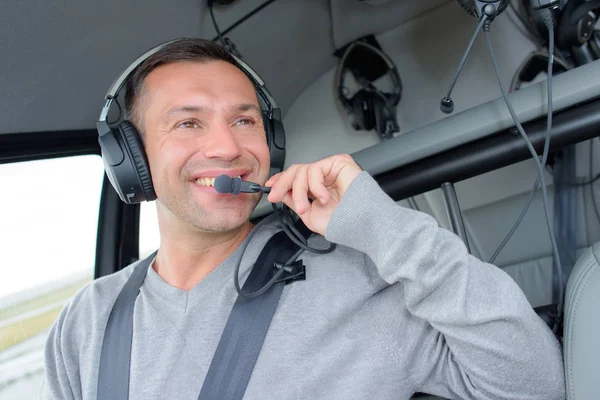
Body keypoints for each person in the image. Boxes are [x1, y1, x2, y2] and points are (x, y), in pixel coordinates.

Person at [43, 38, 565, 400]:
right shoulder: (87, 322)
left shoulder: (358, 277)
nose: (228, 147)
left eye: (244, 120)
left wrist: (384, 227)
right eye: (188, 122)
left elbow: (535, 385)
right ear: (131, 159)